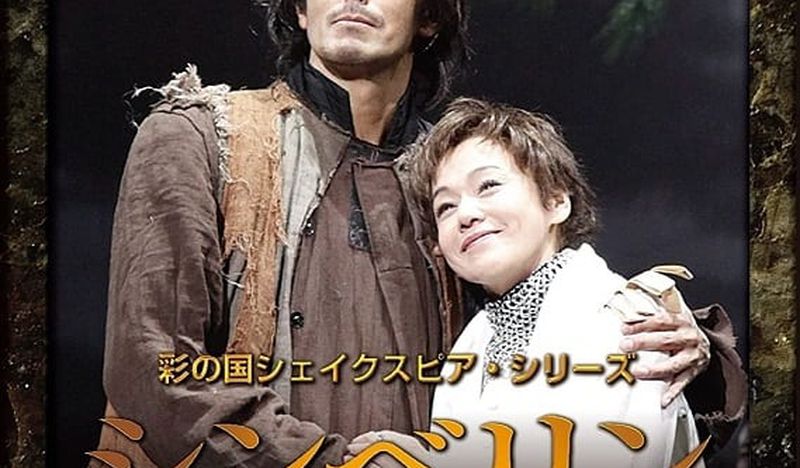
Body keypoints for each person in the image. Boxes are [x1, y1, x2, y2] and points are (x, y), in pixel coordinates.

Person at [94, 1, 744, 466]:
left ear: (429, 16)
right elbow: (155, 375)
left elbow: (553, 304)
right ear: (299, 10)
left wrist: (695, 353)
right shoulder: (204, 138)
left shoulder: (453, 178)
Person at [348, 98, 710, 467]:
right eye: (446, 207)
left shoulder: (629, 320)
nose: (466, 214)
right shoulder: (471, 345)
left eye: (488, 185)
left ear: (556, 200)